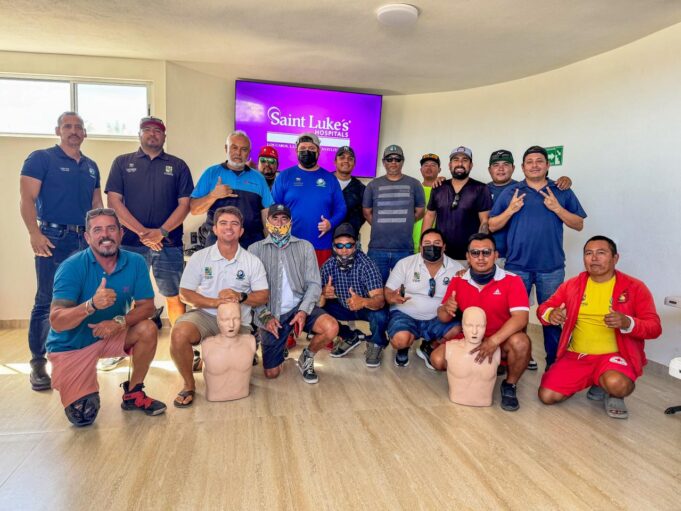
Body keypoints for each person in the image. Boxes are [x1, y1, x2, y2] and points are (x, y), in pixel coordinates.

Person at [46, 208, 166, 426]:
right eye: (98, 230)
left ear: (121, 233)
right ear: (87, 237)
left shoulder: (136, 262)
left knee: (147, 328)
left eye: (111, 228)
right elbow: (57, 321)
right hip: (72, 345)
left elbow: (147, 307)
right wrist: (90, 305)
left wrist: (119, 322)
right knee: (83, 416)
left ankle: (134, 393)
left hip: (111, 333)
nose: (105, 235)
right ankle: (82, 386)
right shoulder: (71, 267)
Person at [19, 111, 103, 391]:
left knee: (85, 300)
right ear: (58, 131)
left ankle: (78, 357)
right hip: (53, 238)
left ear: (85, 133)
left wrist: (101, 236)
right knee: (47, 300)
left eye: (79, 127)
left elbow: (96, 204)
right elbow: (27, 199)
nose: (74, 130)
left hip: (85, 240)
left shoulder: (91, 166)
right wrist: (34, 233)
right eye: (68, 126)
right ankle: (38, 363)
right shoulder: (41, 158)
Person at [537, 236, 662, 419]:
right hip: (577, 356)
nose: (594, 258)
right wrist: (551, 314)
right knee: (547, 396)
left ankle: (609, 388)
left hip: (612, 357)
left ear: (615, 258)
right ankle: (594, 380)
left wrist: (628, 323)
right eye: (589, 253)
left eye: (601, 253)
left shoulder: (634, 287)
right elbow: (543, 308)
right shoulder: (573, 285)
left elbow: (654, 327)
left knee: (618, 384)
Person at [489, 145, 587, 368]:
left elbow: (579, 224)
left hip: (551, 267)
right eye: (530, 162)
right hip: (517, 266)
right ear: (522, 167)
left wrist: (557, 208)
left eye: (539, 161)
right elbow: (492, 225)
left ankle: (554, 364)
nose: (534, 165)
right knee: (516, 317)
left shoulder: (560, 190)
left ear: (547, 165)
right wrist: (510, 210)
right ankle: (518, 358)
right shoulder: (511, 192)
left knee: (552, 317)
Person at [170, 206, 269, 407]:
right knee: (179, 334)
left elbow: (263, 296)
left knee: (236, 366)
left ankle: (209, 359)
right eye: (223, 223)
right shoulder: (200, 258)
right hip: (206, 315)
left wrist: (240, 296)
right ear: (214, 229)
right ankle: (189, 385)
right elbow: (185, 293)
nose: (229, 228)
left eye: (234, 224)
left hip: (238, 320)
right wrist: (215, 302)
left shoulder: (252, 261)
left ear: (241, 231)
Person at [106, 116, 194, 336]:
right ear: (139, 134)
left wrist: (161, 232)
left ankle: (179, 343)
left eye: (158, 130)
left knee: (174, 296)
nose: (152, 133)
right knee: (126, 296)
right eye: (147, 129)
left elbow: (185, 205)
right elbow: (114, 202)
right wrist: (143, 233)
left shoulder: (178, 165)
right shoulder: (122, 162)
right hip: (130, 245)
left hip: (169, 244)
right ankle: (125, 345)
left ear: (164, 136)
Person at [433, 233, 531, 411]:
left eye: (486, 252)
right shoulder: (458, 279)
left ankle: (509, 384)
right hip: (469, 338)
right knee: (437, 360)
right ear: (468, 257)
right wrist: (446, 308)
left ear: (496, 255)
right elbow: (443, 317)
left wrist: (493, 341)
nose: (480, 257)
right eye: (475, 253)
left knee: (521, 342)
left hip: (501, 339)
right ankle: (475, 373)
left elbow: (521, 318)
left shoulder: (512, 280)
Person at [249, 204, 338, 383]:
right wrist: (264, 316)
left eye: (284, 218)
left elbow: (314, 284)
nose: (279, 223)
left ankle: (307, 356)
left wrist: (303, 311)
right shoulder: (254, 250)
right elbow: (250, 290)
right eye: (275, 218)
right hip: (271, 313)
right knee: (271, 373)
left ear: (290, 222)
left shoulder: (305, 247)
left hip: (299, 306)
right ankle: (278, 344)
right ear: (268, 222)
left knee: (331, 327)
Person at [384, 228, 462, 368]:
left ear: (444, 246)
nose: (432, 247)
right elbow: (388, 291)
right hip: (405, 314)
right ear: (420, 247)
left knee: (456, 330)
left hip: (438, 317)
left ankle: (429, 346)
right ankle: (404, 347)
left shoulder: (457, 268)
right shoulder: (405, 263)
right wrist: (392, 297)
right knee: (400, 340)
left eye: (437, 243)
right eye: (427, 243)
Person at [271, 133, 346, 266]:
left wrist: (331, 223)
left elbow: (341, 209)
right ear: (296, 151)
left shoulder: (330, 179)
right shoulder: (284, 176)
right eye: (303, 148)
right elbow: (273, 209)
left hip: (321, 245)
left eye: (311, 148)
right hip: (290, 244)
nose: (307, 151)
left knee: (320, 279)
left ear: (319, 151)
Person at [190, 130, 273, 249]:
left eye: (244, 149)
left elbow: (266, 214)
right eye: (234, 148)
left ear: (249, 153)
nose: (238, 153)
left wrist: (270, 245)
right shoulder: (211, 173)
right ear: (226, 148)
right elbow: (194, 210)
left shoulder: (259, 178)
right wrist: (213, 195)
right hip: (217, 244)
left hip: (252, 245)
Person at [321, 223, 389, 367]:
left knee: (380, 314)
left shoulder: (367, 265)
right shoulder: (328, 266)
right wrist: (323, 293)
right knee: (316, 311)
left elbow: (380, 300)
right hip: (344, 306)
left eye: (349, 245)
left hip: (366, 308)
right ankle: (350, 336)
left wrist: (363, 301)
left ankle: (376, 343)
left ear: (356, 245)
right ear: (334, 247)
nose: (344, 250)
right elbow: (318, 302)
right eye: (339, 246)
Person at [363, 144, 425, 282]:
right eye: (389, 159)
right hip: (377, 249)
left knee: (403, 289)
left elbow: (421, 211)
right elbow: (367, 212)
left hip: (404, 249)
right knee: (376, 288)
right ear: (383, 162)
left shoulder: (414, 184)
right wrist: (379, 224)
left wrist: (407, 221)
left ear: (402, 161)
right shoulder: (373, 185)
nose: (393, 162)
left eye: (397, 159)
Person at [421, 146, 492, 263]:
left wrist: (479, 251)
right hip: (440, 255)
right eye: (456, 160)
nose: (460, 163)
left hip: (468, 257)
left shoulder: (481, 188)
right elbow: (429, 216)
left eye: (465, 160)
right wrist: (424, 246)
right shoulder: (438, 187)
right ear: (450, 165)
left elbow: (484, 222)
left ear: (471, 165)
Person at [445, 307, 500, 407]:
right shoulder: (450, 348)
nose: (474, 331)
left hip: (485, 402)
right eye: (469, 325)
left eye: (480, 326)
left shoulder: (496, 351)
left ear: (486, 326)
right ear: (462, 326)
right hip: (456, 398)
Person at [201, 302, 256, 401]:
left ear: (241, 319)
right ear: (218, 321)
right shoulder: (207, 345)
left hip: (243, 393)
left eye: (236, 318)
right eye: (225, 319)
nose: (231, 325)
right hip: (214, 396)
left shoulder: (250, 341)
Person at [333, 146, 366, 239]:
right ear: (335, 162)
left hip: (350, 241)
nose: (346, 161)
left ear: (354, 164)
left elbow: (365, 214)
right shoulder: (324, 182)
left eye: (350, 159)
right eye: (342, 157)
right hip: (324, 238)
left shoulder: (361, 189)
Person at [412, 153, 442, 253]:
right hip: (412, 243)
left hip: (435, 244)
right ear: (421, 170)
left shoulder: (445, 190)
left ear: (439, 170)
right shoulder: (413, 190)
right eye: (425, 165)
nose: (429, 168)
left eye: (433, 165)